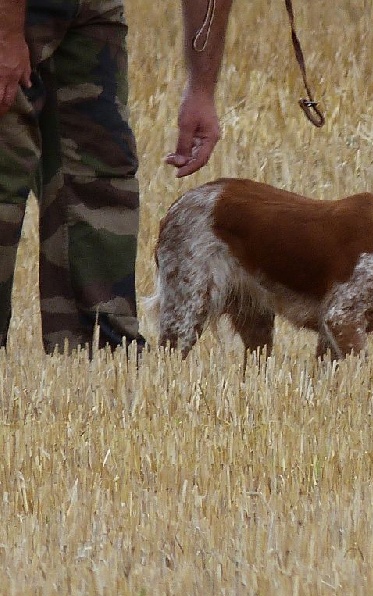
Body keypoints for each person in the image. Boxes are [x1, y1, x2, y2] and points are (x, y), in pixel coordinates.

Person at [0, 0, 234, 354]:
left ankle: (98, 352)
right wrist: (5, 34)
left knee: (101, 174)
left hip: (92, 11)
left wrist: (201, 89)